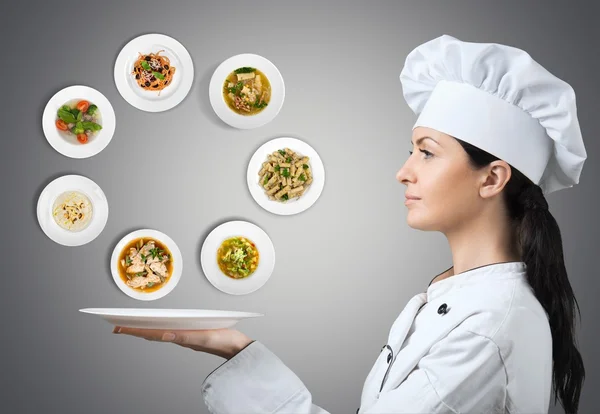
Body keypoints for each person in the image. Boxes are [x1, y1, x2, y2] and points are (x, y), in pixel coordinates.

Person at [113, 35, 587, 413]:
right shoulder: (458, 298)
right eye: (411, 151)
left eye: (426, 151)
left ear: (493, 178)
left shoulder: (487, 326)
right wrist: (234, 349)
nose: (404, 171)